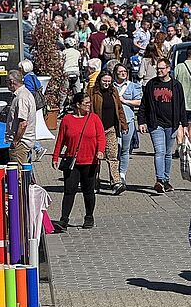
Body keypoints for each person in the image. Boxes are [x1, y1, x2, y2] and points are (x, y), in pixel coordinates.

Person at [51, 91, 106, 231]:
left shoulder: (94, 118)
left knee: (88, 191)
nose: (89, 105)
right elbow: (60, 140)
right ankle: (64, 219)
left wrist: (100, 151)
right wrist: (55, 157)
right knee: (69, 190)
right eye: (86, 103)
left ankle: (89, 217)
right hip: (72, 162)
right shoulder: (67, 120)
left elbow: (101, 137)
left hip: (90, 161)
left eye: (89, 102)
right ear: (77, 104)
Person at [138, 58, 187, 194]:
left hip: (172, 124)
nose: (159, 71)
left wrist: (184, 124)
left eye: (162, 68)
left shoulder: (176, 85)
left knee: (168, 153)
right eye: (158, 68)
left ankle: (166, 180)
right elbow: (144, 104)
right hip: (155, 124)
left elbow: (182, 106)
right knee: (159, 151)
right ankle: (159, 180)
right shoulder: (151, 84)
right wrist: (141, 121)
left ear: (168, 69)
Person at [91, 70, 128, 194]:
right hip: (96, 130)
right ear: (99, 80)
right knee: (97, 157)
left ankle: (116, 182)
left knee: (113, 156)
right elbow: (89, 109)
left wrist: (123, 124)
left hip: (111, 128)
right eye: (104, 81)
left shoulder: (113, 91)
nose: (106, 83)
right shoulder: (92, 92)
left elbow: (119, 108)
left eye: (109, 81)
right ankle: (94, 183)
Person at [112, 63, 141, 186]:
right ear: (115, 74)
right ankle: (114, 175)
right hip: (113, 122)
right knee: (114, 150)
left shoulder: (132, 86)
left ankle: (122, 174)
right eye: (120, 72)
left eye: (125, 71)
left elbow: (139, 102)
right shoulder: (111, 86)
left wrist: (125, 101)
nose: (123, 73)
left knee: (125, 148)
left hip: (128, 121)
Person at [5, 69, 37, 166]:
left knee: (18, 172)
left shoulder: (22, 97)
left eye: (6, 81)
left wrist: (15, 141)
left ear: (12, 82)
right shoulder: (24, 93)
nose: (6, 85)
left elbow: (23, 123)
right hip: (24, 141)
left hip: (22, 142)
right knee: (25, 170)